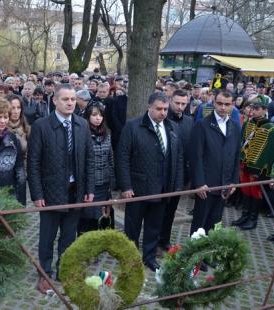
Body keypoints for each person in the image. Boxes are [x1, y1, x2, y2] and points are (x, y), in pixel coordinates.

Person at [28, 84, 94, 293]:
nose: (70, 103)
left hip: (75, 191)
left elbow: (89, 158)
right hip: (50, 192)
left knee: (68, 236)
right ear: (55, 101)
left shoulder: (82, 124)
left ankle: (64, 270)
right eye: (65, 99)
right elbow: (33, 163)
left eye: (73, 99)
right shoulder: (41, 125)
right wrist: (37, 194)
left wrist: (89, 188)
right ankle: (44, 273)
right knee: (47, 236)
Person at [116, 92, 183, 272]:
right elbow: (122, 158)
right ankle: (129, 257)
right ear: (149, 107)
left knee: (154, 227)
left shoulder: (173, 128)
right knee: (132, 227)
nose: (163, 113)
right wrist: (126, 186)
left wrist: (177, 185)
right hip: (138, 188)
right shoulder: (133, 127)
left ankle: (149, 257)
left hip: (162, 189)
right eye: (159, 109)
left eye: (165, 109)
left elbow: (178, 158)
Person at [189, 91, 241, 234]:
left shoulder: (236, 126)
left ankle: (209, 255)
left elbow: (237, 156)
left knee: (214, 225)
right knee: (199, 226)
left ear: (232, 105)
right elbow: (195, 156)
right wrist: (199, 183)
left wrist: (233, 181)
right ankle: (194, 255)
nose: (223, 107)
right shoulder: (202, 125)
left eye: (227, 104)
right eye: (219, 103)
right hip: (206, 186)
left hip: (224, 186)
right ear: (214, 103)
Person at [233, 95, 274, 230]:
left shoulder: (273, 130)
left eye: (257, 108)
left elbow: (270, 154)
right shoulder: (248, 124)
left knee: (255, 193)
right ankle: (245, 215)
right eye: (252, 107)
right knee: (245, 190)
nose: (253, 110)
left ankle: (253, 219)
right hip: (244, 165)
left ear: (265, 110)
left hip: (258, 169)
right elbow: (242, 143)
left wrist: (262, 171)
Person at [158, 89, 194, 251]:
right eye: (177, 103)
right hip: (162, 175)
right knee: (158, 210)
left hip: (180, 175)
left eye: (183, 104)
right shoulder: (163, 120)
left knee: (171, 210)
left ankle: (164, 239)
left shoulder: (189, 122)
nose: (180, 107)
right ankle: (154, 238)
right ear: (170, 101)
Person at [77, 102, 114, 234]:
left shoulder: (107, 134)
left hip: (104, 183)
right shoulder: (82, 134)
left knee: (101, 216)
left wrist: (111, 181)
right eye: (94, 115)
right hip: (89, 183)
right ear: (88, 116)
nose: (98, 118)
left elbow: (110, 159)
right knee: (87, 218)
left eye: (100, 115)